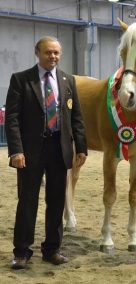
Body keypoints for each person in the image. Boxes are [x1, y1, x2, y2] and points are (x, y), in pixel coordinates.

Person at [5, 36, 88, 270]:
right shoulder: (21, 80)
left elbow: (77, 118)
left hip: (58, 149)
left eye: (57, 53)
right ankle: (21, 252)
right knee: (27, 201)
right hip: (30, 151)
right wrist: (16, 151)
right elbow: (11, 119)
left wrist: (81, 147)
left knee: (56, 201)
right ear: (37, 53)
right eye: (48, 52)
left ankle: (52, 249)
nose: (53, 56)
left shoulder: (68, 81)